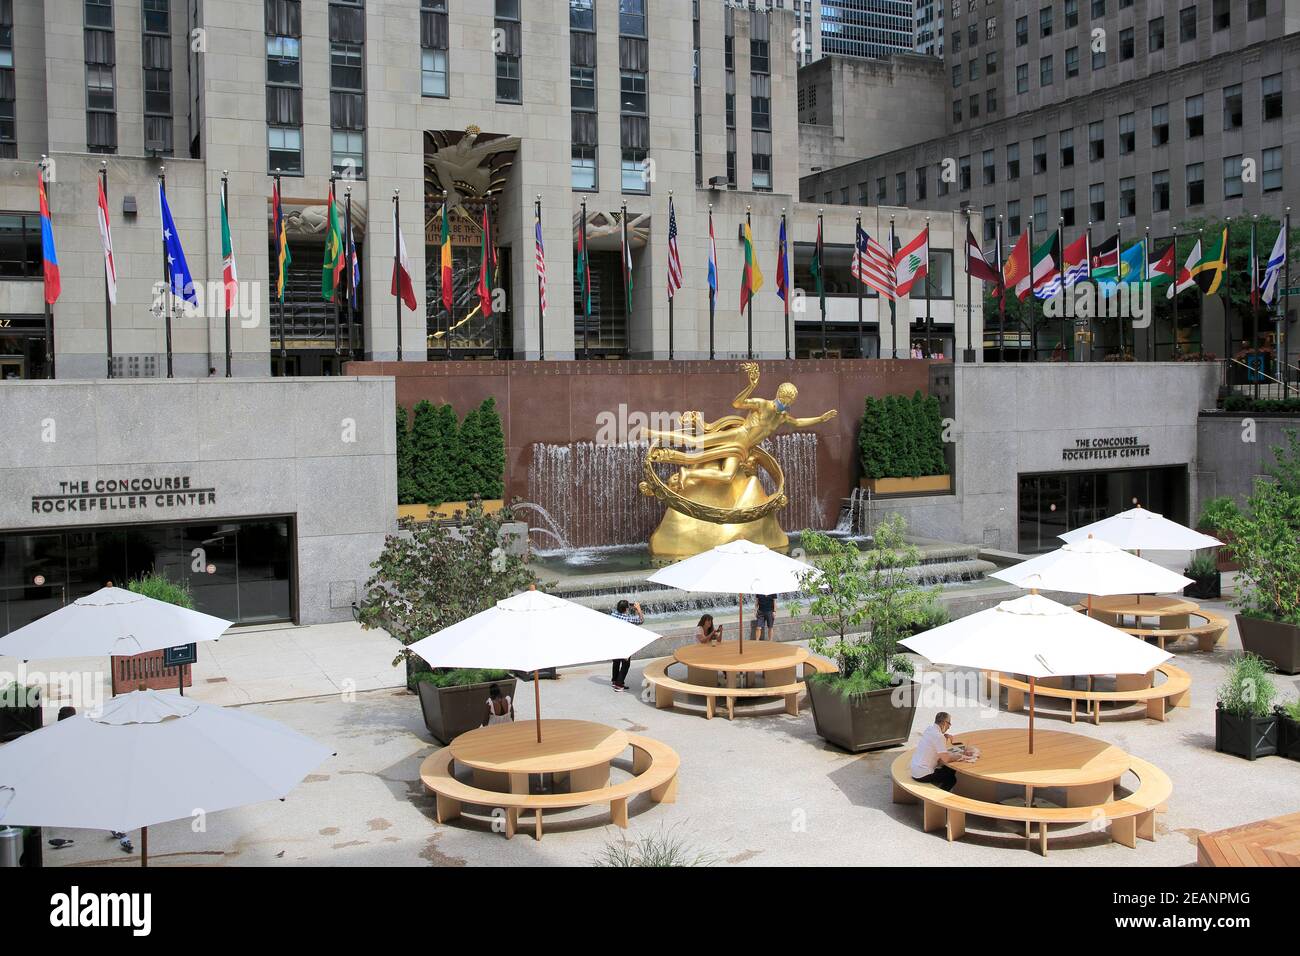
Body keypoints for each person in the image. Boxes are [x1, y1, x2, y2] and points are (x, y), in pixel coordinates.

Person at [910, 712, 962, 792]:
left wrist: (944, 736)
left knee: (949, 769)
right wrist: (961, 756)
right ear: (944, 723)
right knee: (951, 779)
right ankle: (938, 797)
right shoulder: (939, 737)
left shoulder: (929, 729)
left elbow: (933, 741)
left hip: (914, 769)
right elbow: (946, 759)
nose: (949, 727)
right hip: (922, 774)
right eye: (949, 723)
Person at [609, 599, 644, 691]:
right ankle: (619, 685)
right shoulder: (627, 618)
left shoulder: (613, 614)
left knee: (616, 662)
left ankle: (614, 681)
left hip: (614, 643)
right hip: (625, 644)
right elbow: (641, 620)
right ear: (627, 609)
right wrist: (639, 609)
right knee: (625, 664)